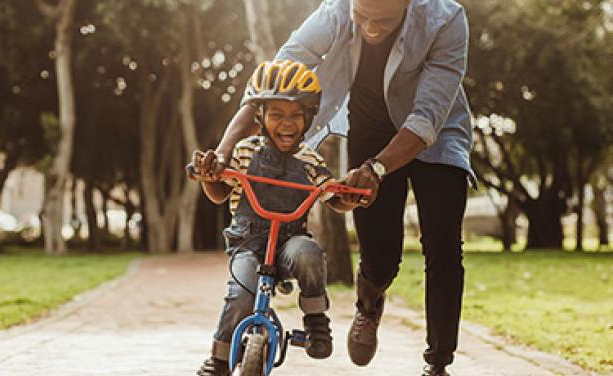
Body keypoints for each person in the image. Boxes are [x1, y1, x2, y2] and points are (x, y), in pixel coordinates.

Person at [211, 1, 474, 375]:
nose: (369, 28)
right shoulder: (335, 11)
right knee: (381, 258)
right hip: (370, 128)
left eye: (382, 20)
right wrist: (223, 152)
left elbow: (427, 115)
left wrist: (377, 168)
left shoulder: (446, 19)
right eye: (361, 16)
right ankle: (369, 304)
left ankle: (438, 364)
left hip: (437, 133)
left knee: (444, 246)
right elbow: (274, 80)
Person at [192, 60, 359, 376]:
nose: (287, 123)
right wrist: (207, 175)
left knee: (308, 253)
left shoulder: (310, 160)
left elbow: (331, 195)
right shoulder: (244, 151)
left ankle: (316, 322)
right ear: (260, 117)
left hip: (288, 245)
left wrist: (347, 197)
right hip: (248, 245)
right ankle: (218, 360)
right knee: (241, 296)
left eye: (296, 115)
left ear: (308, 118)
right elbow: (218, 193)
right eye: (276, 114)